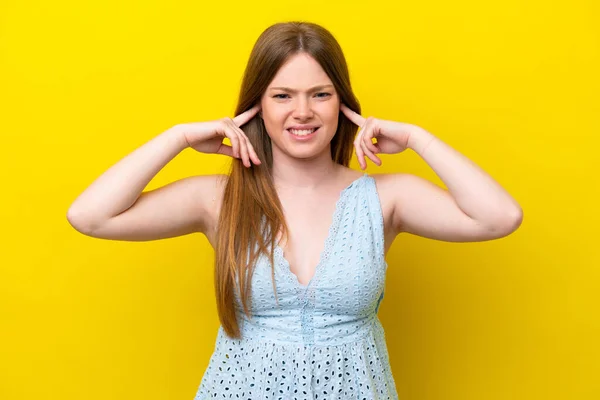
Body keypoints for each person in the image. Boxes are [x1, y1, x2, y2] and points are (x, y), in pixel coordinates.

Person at [67, 21, 523, 400]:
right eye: (282, 95)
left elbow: (499, 217)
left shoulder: (386, 198)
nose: (302, 112)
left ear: (343, 104)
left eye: (320, 95)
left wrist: (419, 139)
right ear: (256, 108)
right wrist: (179, 137)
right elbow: (90, 216)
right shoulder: (220, 199)